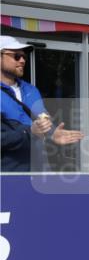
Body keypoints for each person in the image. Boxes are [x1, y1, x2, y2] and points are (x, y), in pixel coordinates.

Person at [1, 36, 84, 172]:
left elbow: (43, 120)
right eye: (16, 56)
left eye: (24, 56)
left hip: (39, 173)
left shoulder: (31, 90)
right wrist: (29, 132)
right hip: (8, 177)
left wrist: (53, 133)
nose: (22, 60)